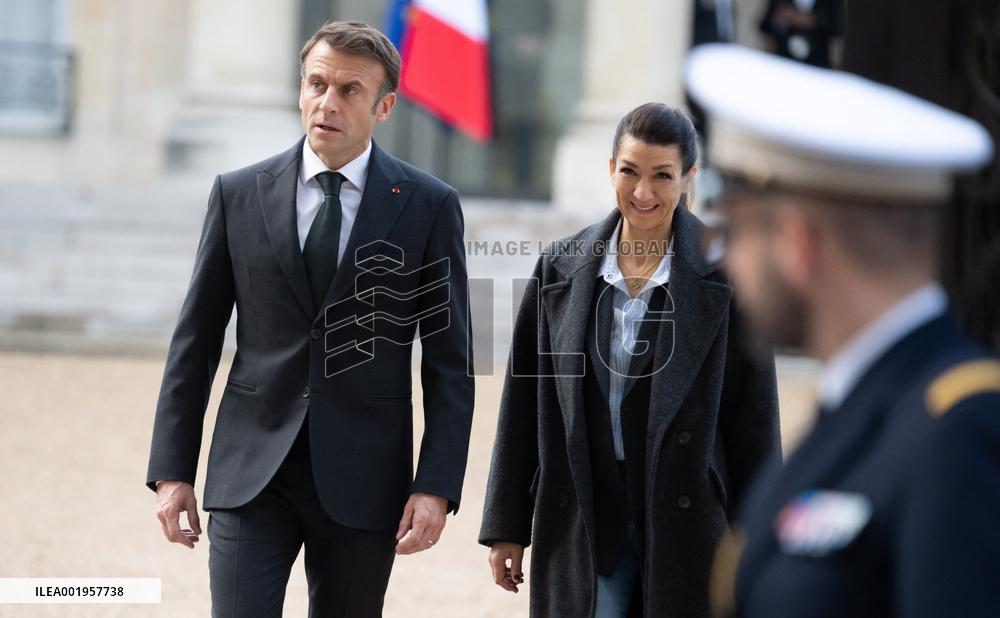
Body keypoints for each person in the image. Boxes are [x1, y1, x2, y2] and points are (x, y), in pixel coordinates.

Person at [146, 21, 474, 617]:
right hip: (250, 472)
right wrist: (172, 472)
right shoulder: (238, 194)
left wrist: (435, 486)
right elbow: (194, 342)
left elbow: (450, 363)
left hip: (366, 480)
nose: (328, 102)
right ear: (300, 89)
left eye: (349, 91)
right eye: (317, 84)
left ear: (384, 107)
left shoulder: (428, 206)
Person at [685, 44, 1000, 617]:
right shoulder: (860, 407)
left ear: (797, 242)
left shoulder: (960, 435)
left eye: (733, 233)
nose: (725, 263)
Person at [479, 103, 781, 617]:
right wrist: (506, 525)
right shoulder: (559, 267)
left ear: (689, 178)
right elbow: (523, 405)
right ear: (611, 168)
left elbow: (754, 422)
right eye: (630, 171)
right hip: (584, 514)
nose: (643, 192)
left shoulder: (731, 277)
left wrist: (759, 539)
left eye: (662, 175)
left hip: (689, 521)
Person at [758, 0, 841, 68]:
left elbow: (836, 29)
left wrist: (814, 22)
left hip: (816, 65)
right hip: (783, 62)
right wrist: (781, 19)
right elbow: (765, 25)